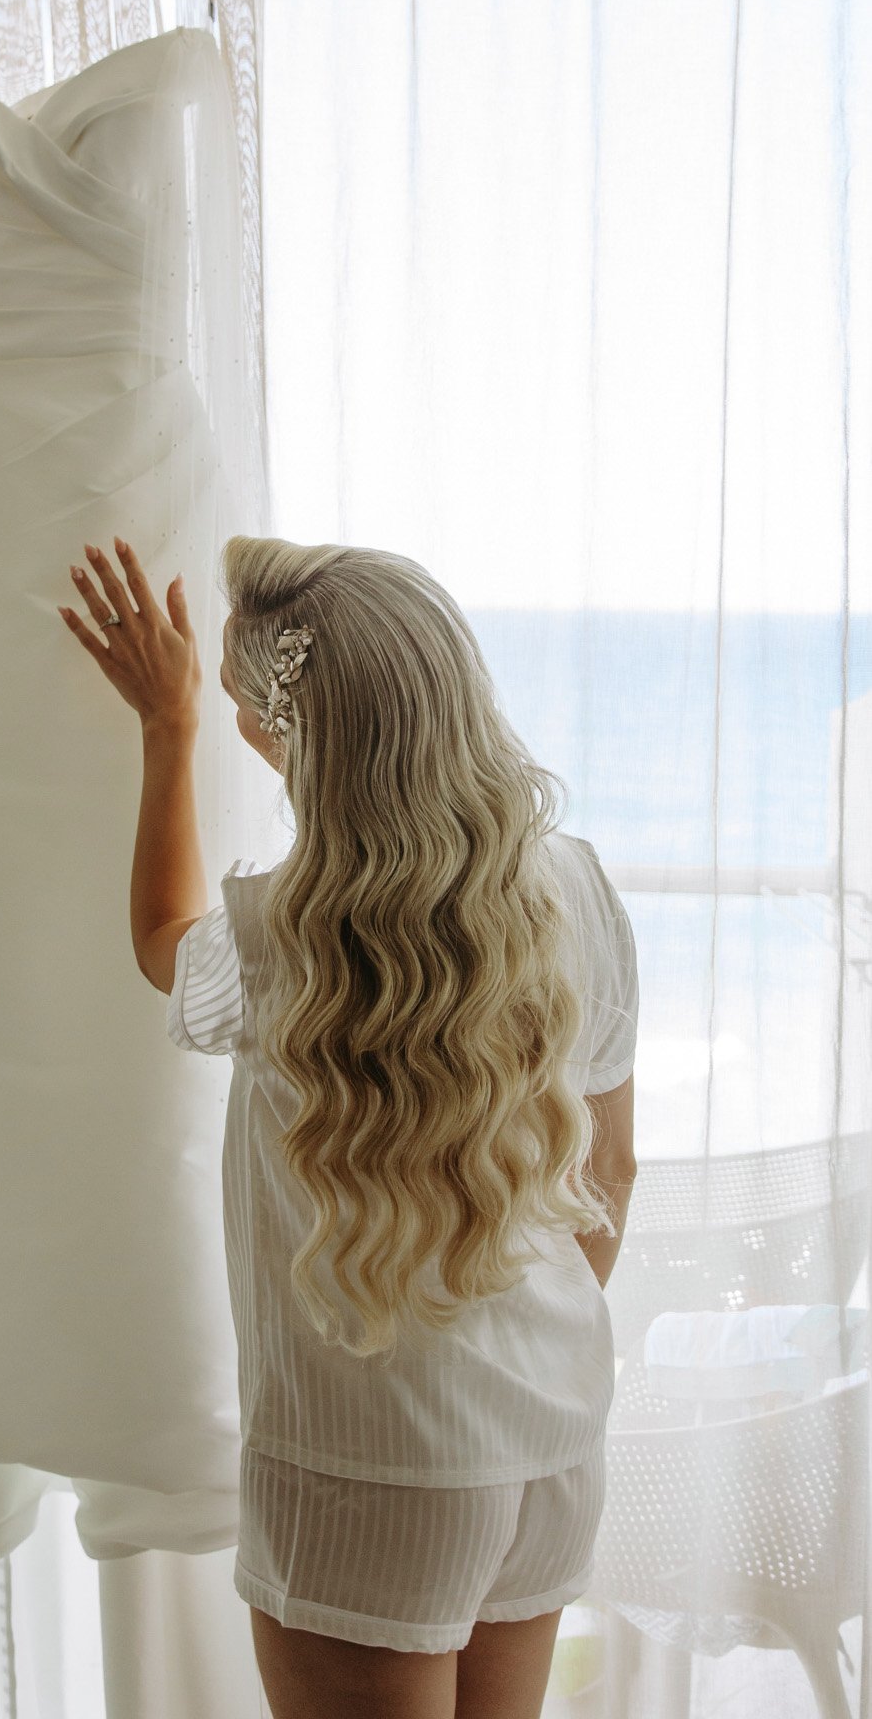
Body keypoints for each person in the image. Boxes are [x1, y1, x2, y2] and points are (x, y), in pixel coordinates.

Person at [59, 533, 639, 1719]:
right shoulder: (574, 887)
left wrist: (161, 729)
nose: (236, 730)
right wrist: (516, 1352)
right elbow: (611, 1172)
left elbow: (163, 940)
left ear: (294, 735)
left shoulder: (285, 938)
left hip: (367, 1468)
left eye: (238, 710)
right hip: (549, 1444)